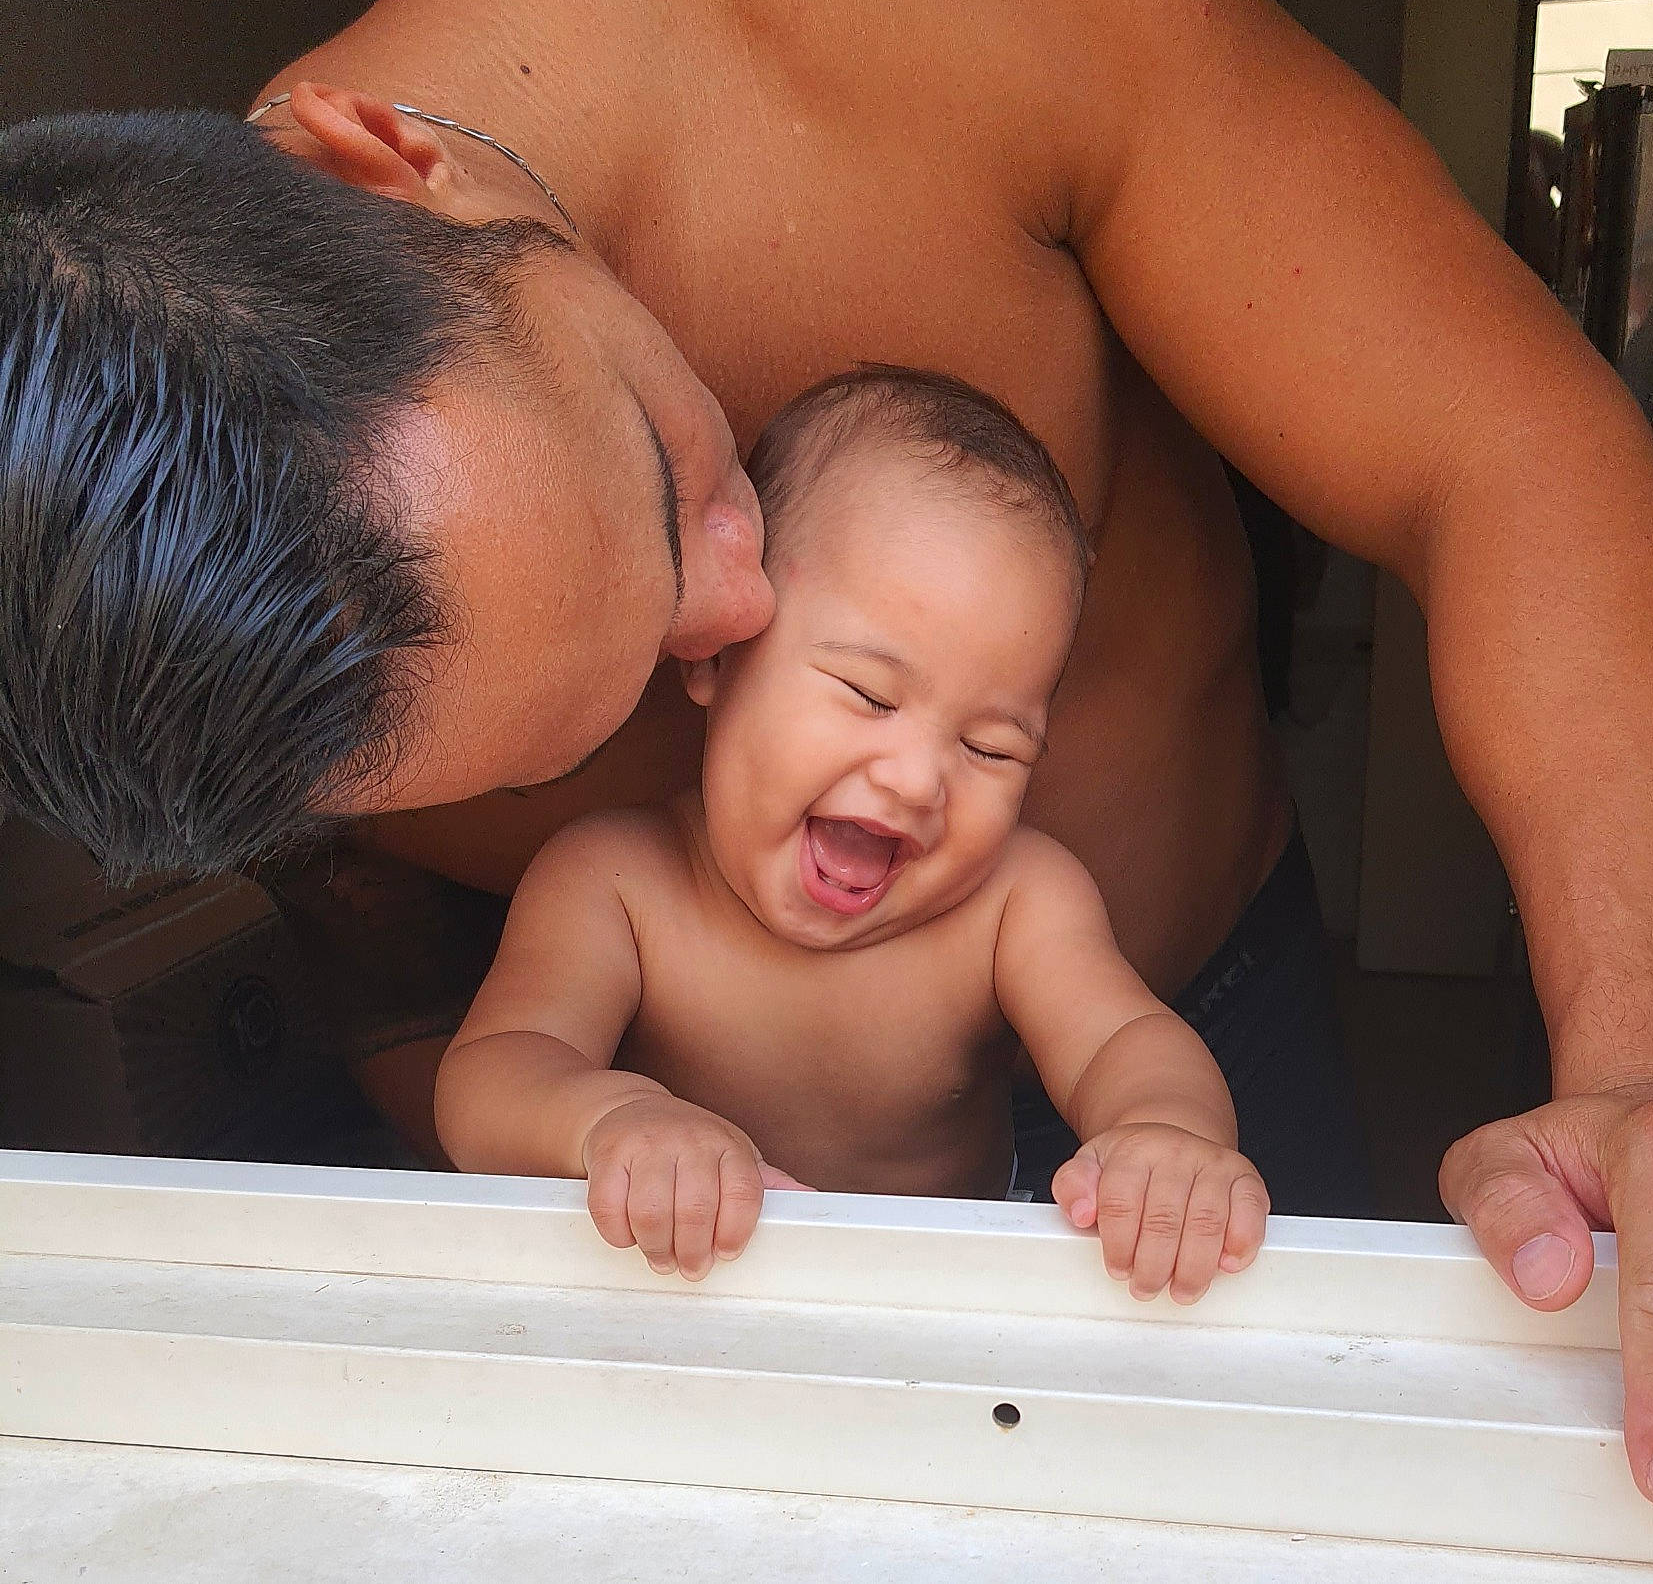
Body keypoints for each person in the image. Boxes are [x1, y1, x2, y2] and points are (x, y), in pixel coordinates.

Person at [0, 0, 1653, 1538]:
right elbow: (371, 929)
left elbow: (1495, 451)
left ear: (386, 167)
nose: (727, 627)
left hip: (1168, 1052)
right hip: (679, 1176)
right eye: (544, 746)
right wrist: (493, 1152)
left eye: (652, 474)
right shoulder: (158, 615)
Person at [437, 366, 1269, 1302]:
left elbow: (1126, 1040)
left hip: (941, 1308)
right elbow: (491, 1078)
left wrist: (1166, 1135)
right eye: (869, 695)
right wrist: (615, 1120)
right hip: (668, 1299)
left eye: (992, 749)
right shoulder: (617, 884)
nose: (918, 780)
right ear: (716, 648)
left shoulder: (1016, 900)